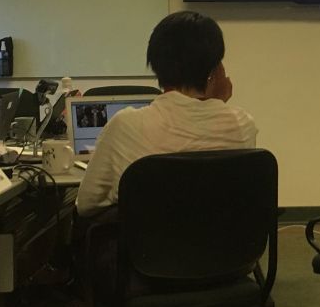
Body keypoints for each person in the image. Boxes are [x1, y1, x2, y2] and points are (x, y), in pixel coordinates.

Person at [77, 12, 256, 216]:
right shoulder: (242, 125)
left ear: (155, 64)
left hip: (146, 237)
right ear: (215, 69)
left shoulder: (126, 125)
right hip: (223, 236)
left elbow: (86, 204)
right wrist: (217, 103)